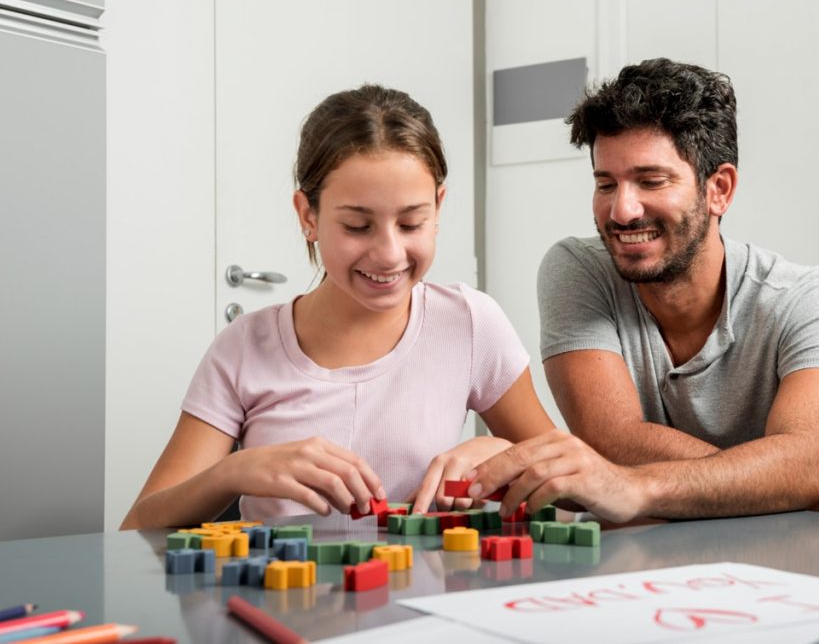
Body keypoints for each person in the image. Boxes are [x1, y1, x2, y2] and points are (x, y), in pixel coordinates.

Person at [466, 59, 819, 522]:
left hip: (782, 566)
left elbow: (808, 466)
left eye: (651, 181)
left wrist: (636, 486)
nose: (622, 211)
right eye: (606, 183)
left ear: (718, 190)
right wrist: (778, 477)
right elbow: (614, 439)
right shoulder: (579, 270)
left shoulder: (812, 302)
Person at [121, 85, 553, 530]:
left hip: (424, 596)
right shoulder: (244, 348)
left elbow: (573, 486)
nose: (389, 253)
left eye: (410, 223)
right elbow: (137, 527)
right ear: (308, 216)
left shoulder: (468, 322)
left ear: (438, 208)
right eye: (357, 226)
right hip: (277, 598)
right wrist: (233, 472)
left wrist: (506, 455)